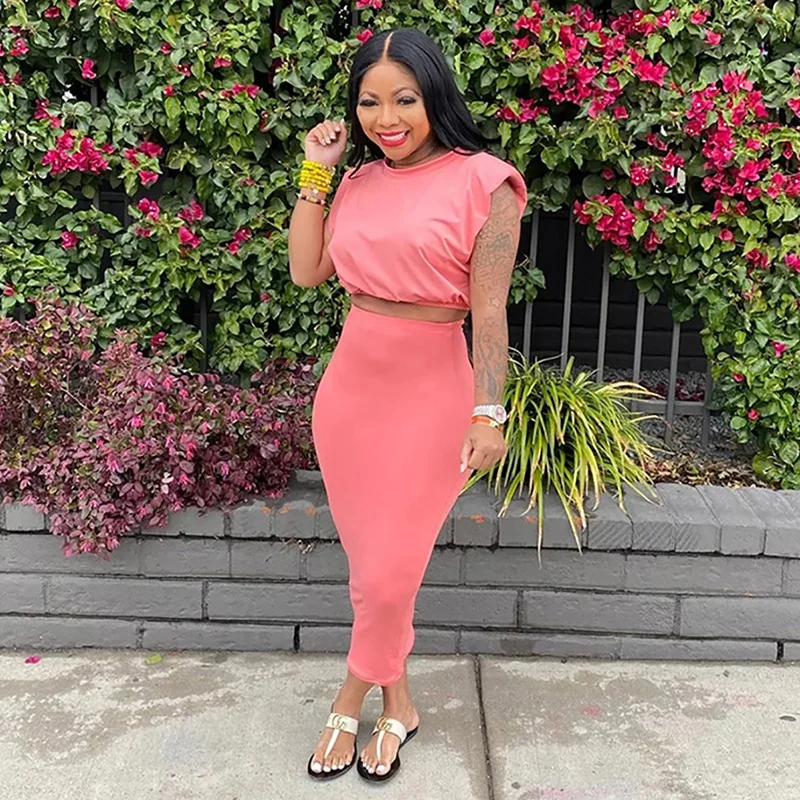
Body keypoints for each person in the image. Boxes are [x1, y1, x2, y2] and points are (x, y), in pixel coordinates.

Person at [287, 27, 527, 784]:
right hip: (350, 395)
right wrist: (317, 173)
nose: (386, 118)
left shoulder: (486, 183)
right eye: (369, 102)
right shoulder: (357, 182)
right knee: (374, 572)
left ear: (435, 97)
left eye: (404, 99)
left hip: (431, 395)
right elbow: (306, 271)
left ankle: (348, 698)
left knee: (390, 573)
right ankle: (400, 704)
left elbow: (490, 314)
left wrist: (488, 412)